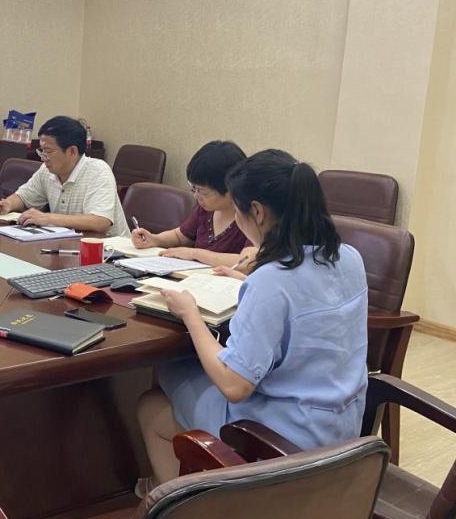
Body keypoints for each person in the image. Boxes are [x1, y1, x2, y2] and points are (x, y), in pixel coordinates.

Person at [135, 149, 368, 489]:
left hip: (283, 437)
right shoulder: (348, 257)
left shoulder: (272, 280)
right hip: (343, 426)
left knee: (155, 398)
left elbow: (234, 385)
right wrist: (248, 281)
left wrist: (190, 314)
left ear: (257, 211)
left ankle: (176, 510)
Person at [0, 115, 129, 236]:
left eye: (48, 151)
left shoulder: (98, 171)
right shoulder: (47, 171)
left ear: (72, 152)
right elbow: (24, 197)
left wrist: (48, 218)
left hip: (111, 251)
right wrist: (8, 204)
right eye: (41, 150)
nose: (43, 157)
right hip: (69, 245)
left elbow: (101, 221)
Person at [131, 140, 255, 269]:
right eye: (193, 189)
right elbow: (180, 236)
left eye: (203, 192)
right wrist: (154, 239)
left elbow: (247, 263)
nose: (196, 196)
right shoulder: (206, 209)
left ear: (231, 189)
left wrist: (195, 254)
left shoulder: (252, 217)